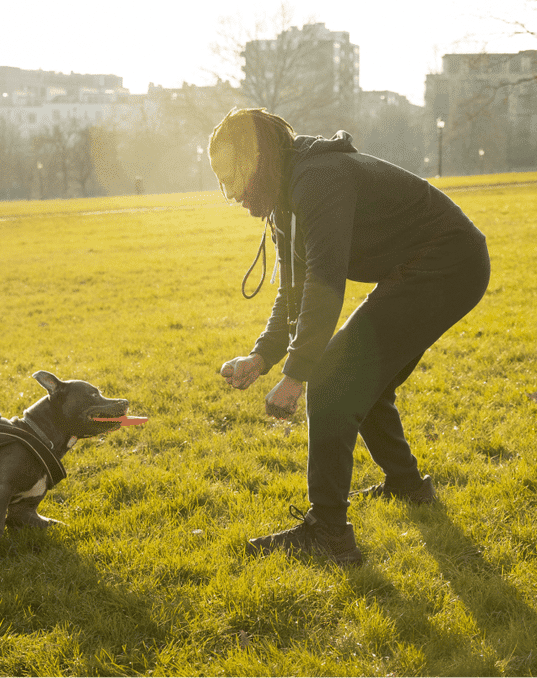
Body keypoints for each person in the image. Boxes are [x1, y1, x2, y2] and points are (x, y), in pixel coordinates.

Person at [210, 108, 490, 566]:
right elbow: (294, 291)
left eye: (236, 178)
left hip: (448, 265)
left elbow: (325, 284)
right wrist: (261, 358)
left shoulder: (318, 180)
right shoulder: (288, 195)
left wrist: (298, 375)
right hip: (424, 267)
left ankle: (329, 535)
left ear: (259, 164)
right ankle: (408, 486)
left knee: (335, 378)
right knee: (362, 378)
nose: (234, 195)